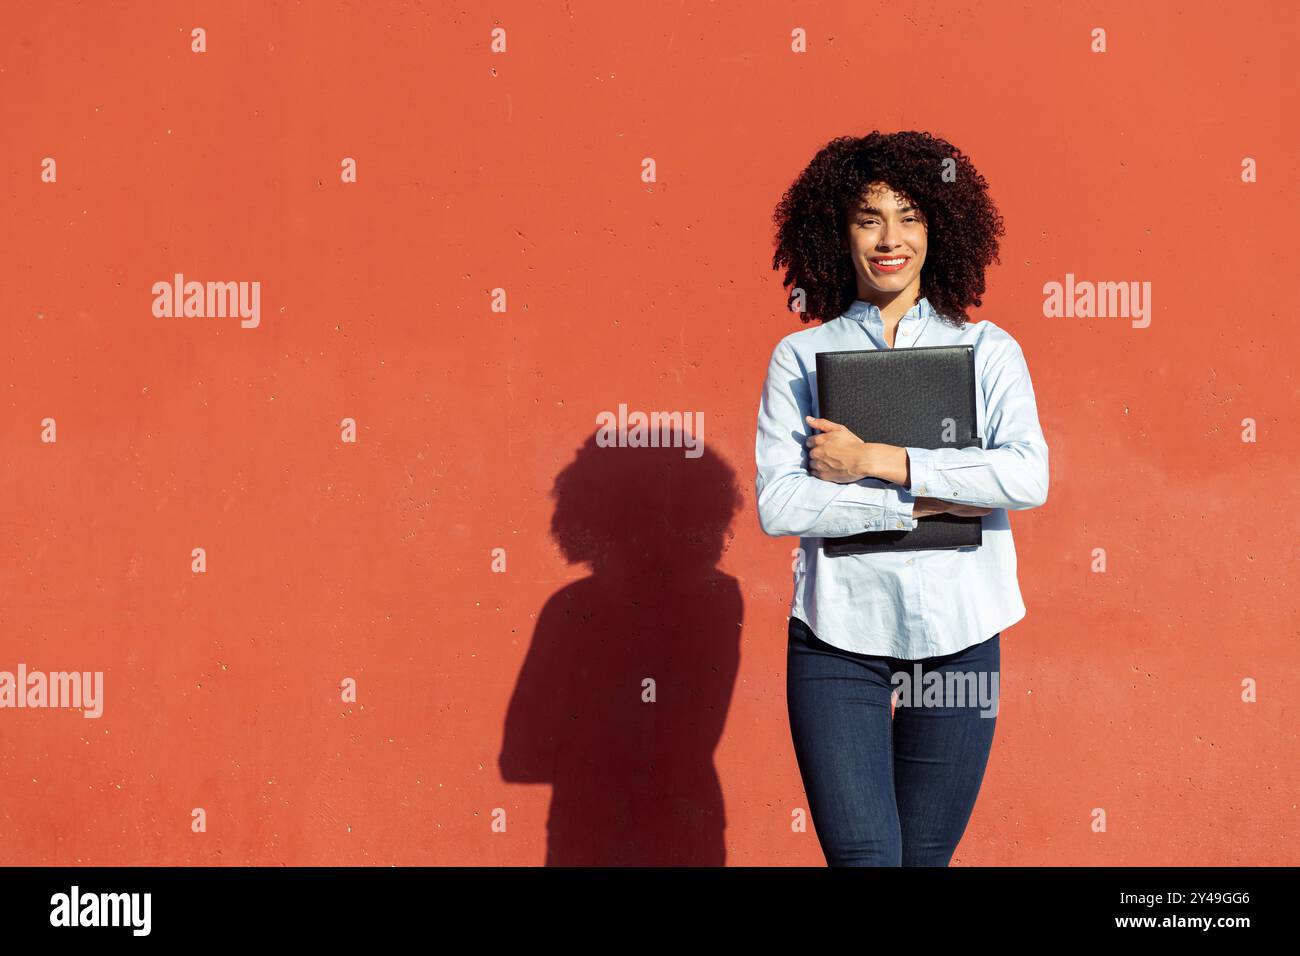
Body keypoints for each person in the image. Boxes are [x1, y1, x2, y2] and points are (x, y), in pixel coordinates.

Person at [755, 130, 1050, 866]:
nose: (891, 239)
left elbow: (1024, 477)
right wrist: (917, 504)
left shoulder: (990, 351)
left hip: (960, 638)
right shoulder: (799, 359)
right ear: (838, 233)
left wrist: (874, 461)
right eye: (869, 218)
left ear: (939, 229)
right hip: (837, 642)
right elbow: (780, 505)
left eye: (910, 216)